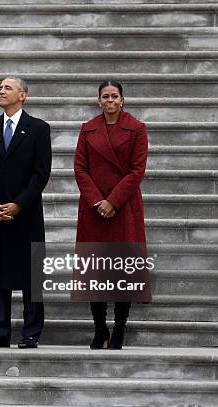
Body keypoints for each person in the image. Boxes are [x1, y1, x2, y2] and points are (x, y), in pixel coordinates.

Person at [0, 77, 52, 349]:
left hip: (26, 213)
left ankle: (31, 332)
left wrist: (18, 204)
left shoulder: (39, 129)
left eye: (8, 88)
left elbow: (41, 173)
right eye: (0, 88)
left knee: (31, 275)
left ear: (23, 95)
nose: (1, 91)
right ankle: (1, 331)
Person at [74, 80, 151, 350]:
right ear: (98, 101)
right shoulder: (88, 129)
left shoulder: (137, 129)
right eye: (105, 97)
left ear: (122, 100)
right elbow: (80, 169)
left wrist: (113, 201)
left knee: (122, 270)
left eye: (114, 96)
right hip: (93, 208)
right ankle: (99, 328)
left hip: (123, 207)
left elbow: (136, 171)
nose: (109, 101)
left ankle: (119, 328)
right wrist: (97, 201)